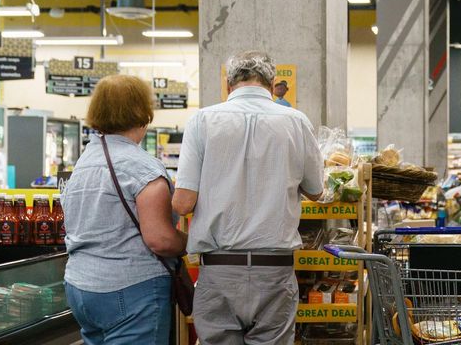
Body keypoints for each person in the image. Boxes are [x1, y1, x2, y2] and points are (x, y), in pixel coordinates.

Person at [173, 50, 324, 344]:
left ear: (229, 85)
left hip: (219, 270)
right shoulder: (296, 122)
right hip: (275, 271)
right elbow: (317, 191)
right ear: (272, 84)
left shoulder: (201, 121)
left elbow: (182, 203)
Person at [62, 75, 187, 344]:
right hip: (130, 289)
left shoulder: (83, 164)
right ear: (143, 113)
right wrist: (191, 242)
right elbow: (160, 240)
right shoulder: (143, 168)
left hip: (80, 287)